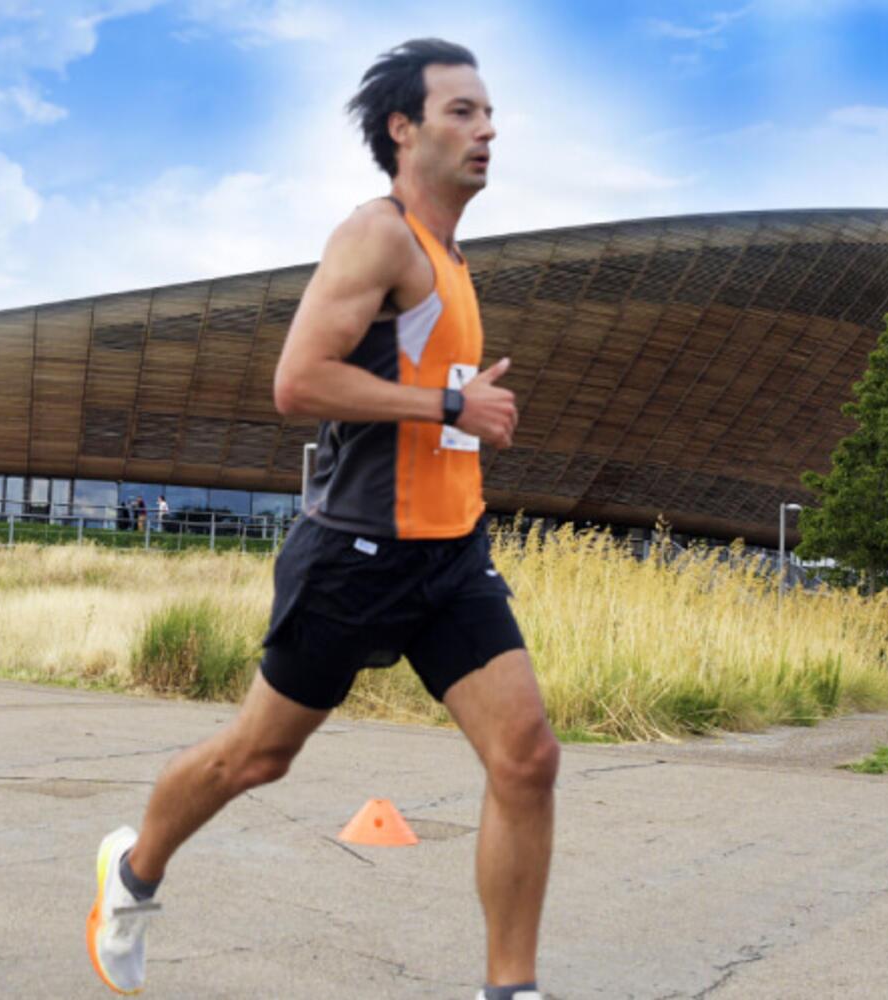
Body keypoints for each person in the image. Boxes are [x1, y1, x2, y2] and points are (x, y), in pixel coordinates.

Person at [86, 38, 553, 1000]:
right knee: (256, 758)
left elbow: (416, 391)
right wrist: (452, 408)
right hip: (355, 555)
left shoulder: (452, 259)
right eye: (461, 111)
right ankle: (131, 876)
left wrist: (462, 415)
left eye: (489, 112)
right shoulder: (375, 236)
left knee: (527, 756)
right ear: (402, 129)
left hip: (450, 559)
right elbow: (298, 382)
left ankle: (512, 989)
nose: (488, 129)